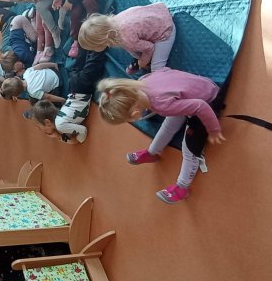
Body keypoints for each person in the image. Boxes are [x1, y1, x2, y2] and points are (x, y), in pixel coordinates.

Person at [96, 67, 226, 204]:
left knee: (188, 149)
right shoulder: (143, 80)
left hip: (210, 99)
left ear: (134, 114)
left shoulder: (162, 106)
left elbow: (200, 106)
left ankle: (182, 187)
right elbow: (165, 70)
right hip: (200, 86)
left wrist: (213, 130)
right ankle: (152, 152)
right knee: (169, 122)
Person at [24, 47, 107, 144]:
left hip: (82, 89)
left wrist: (59, 136)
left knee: (95, 59)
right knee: (82, 57)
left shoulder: (60, 125)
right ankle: (85, 42)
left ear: (47, 122)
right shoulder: (60, 118)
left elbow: (82, 131)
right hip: (74, 88)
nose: (40, 130)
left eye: (39, 127)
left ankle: (99, 44)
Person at [20, 0, 103, 58]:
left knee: (88, 0)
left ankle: (96, 24)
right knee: (75, 14)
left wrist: (70, 1)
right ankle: (76, 40)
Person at [78, 2, 176, 74]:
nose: (93, 50)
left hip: (164, 28)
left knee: (156, 68)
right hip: (157, 11)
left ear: (105, 38)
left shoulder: (126, 39)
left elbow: (149, 48)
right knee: (133, 48)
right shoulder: (115, 20)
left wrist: (143, 62)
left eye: (94, 47)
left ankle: (165, 80)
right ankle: (139, 60)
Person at [0, 62, 64, 104]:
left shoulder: (33, 93)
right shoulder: (27, 72)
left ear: (19, 94)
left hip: (58, 83)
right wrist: (53, 64)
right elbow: (40, 66)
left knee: (43, 99)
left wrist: (63, 100)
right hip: (53, 71)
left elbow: (49, 97)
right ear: (17, 77)